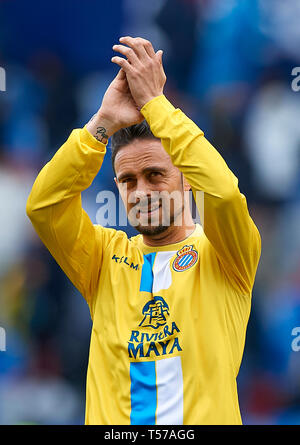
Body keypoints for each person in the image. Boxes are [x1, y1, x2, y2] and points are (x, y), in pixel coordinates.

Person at [26, 36, 261, 425]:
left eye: (155, 175)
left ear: (187, 178)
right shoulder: (102, 258)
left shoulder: (226, 255)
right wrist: (102, 124)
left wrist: (156, 105)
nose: (141, 192)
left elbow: (222, 193)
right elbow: (44, 205)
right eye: (128, 180)